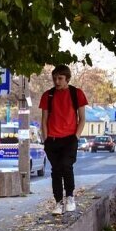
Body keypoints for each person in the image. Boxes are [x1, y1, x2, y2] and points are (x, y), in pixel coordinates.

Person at [39, 65, 88, 215]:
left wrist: (76, 137)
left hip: (69, 139)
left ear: (67, 78)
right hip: (52, 140)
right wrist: (46, 138)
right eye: (54, 78)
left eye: (60, 78)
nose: (57, 81)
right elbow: (44, 119)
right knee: (56, 171)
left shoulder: (76, 93)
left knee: (67, 166)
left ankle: (70, 197)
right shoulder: (48, 95)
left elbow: (82, 118)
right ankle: (58, 202)